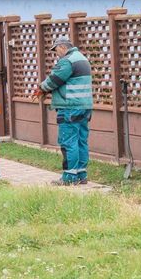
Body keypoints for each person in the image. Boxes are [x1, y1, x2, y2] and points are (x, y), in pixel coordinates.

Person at [32, 36, 93, 185]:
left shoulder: (67, 61)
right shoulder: (82, 58)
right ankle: (81, 174)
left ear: (62, 47)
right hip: (84, 107)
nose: (56, 54)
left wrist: (41, 89)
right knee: (81, 141)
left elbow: (55, 79)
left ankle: (69, 177)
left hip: (70, 107)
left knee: (68, 142)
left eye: (56, 50)